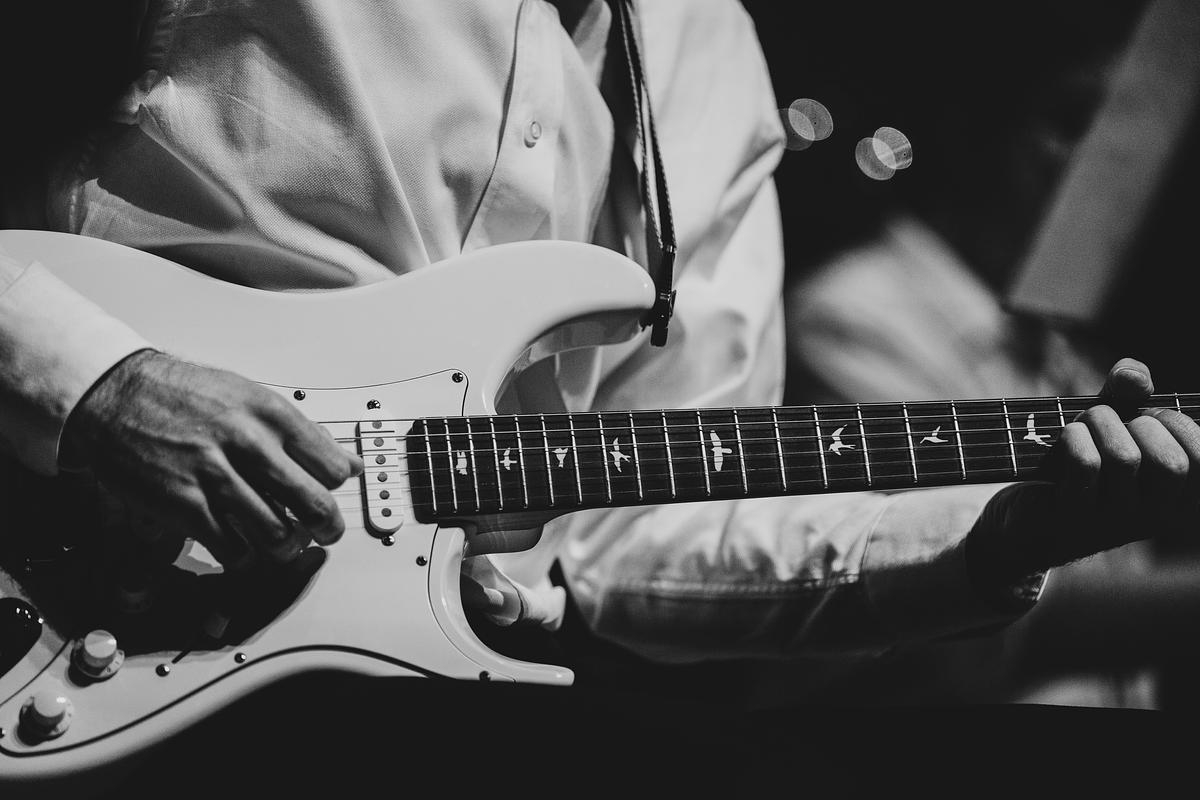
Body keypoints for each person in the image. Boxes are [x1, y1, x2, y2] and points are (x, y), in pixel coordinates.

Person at [0, 0, 1197, 789]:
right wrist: (96, 382)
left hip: (348, 698)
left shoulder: (712, 65)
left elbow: (640, 516)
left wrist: (996, 541)